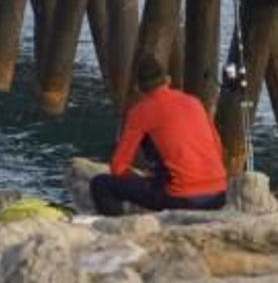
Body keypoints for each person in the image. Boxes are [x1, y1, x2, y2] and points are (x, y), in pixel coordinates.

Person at [89, 57, 228, 216]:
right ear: (167, 80)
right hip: (219, 194)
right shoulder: (194, 101)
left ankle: (119, 229)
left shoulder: (140, 112)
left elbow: (118, 167)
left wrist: (137, 177)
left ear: (137, 88)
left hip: (183, 198)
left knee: (100, 184)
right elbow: (217, 148)